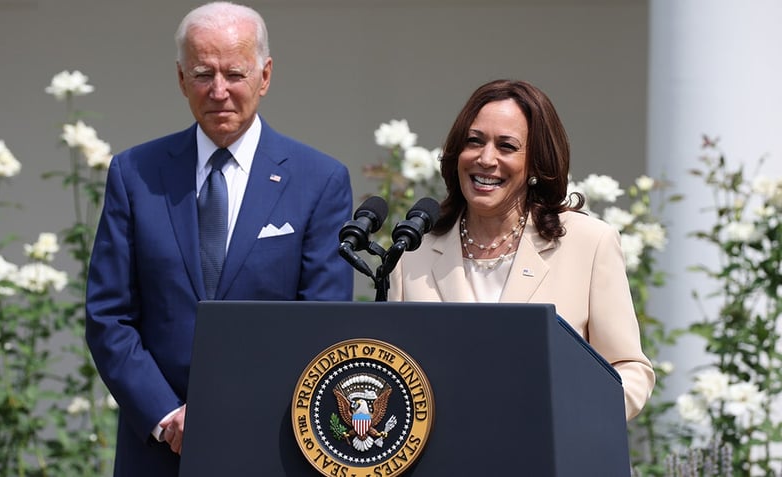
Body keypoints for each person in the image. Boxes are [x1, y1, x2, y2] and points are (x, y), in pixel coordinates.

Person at [84, 2, 354, 475]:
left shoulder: (319, 180)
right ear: (181, 79)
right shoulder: (136, 174)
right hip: (158, 451)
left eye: (235, 73)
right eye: (203, 73)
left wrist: (230, 415)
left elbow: (320, 324)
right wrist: (168, 416)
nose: (219, 91)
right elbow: (109, 316)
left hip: (272, 444)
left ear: (265, 76)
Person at [388, 79, 654, 420]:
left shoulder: (589, 243)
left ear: (536, 164)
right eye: (474, 141)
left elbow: (630, 370)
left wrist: (573, 418)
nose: (486, 158)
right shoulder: (413, 251)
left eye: (507, 146)